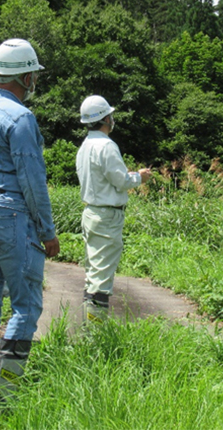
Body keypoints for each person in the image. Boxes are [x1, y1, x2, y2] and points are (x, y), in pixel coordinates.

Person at [0, 38, 60, 405]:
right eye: (33, 73)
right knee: (26, 305)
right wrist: (47, 232)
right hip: (11, 215)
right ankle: (4, 403)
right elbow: (32, 180)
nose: (35, 79)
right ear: (24, 76)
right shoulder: (20, 118)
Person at [75, 95, 152, 322]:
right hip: (107, 215)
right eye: (110, 115)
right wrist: (140, 177)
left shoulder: (85, 147)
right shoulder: (106, 146)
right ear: (105, 118)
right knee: (101, 277)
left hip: (91, 212)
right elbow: (121, 181)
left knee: (93, 272)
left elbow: (105, 178)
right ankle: (95, 335)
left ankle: (90, 326)